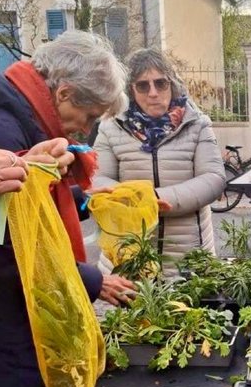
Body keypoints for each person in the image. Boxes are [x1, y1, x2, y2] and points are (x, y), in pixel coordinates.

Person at [0, 34, 138, 387]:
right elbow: (19, 252)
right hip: (10, 325)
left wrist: (81, 199)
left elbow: (33, 205)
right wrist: (92, 280)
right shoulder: (6, 128)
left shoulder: (21, 114)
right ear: (64, 93)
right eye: (90, 115)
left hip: (18, 319)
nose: (88, 130)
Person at [93, 47, 225, 260]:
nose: (153, 93)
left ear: (172, 85)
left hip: (188, 257)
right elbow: (96, 179)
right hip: (128, 258)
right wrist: (137, 199)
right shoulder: (111, 127)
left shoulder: (196, 124)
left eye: (161, 83)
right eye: (143, 86)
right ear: (131, 91)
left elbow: (213, 179)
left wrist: (155, 199)